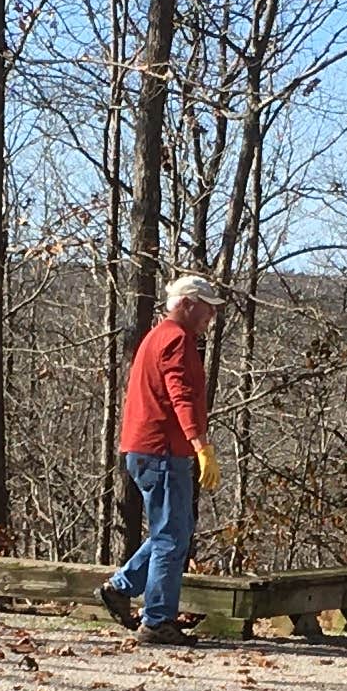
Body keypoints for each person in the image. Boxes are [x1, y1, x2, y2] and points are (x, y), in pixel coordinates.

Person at [100, 276, 223, 645]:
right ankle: (157, 621)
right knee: (172, 536)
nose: (211, 316)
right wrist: (201, 445)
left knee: (175, 529)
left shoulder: (157, 336)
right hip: (163, 452)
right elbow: (181, 396)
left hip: (147, 449)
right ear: (187, 303)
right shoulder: (176, 339)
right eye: (207, 308)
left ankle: (121, 588)